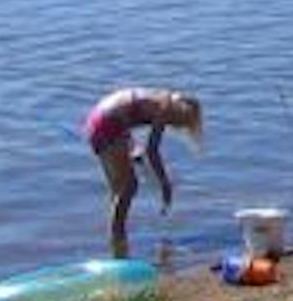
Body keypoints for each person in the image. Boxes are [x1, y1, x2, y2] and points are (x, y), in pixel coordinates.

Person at [82, 87, 204, 258]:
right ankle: (118, 238)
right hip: (107, 124)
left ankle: (117, 248)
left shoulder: (161, 97)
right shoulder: (165, 108)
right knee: (129, 187)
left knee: (118, 189)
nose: (176, 126)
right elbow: (152, 151)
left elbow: (127, 112)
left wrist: (131, 147)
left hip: (98, 119)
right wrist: (165, 184)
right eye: (181, 122)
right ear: (182, 111)